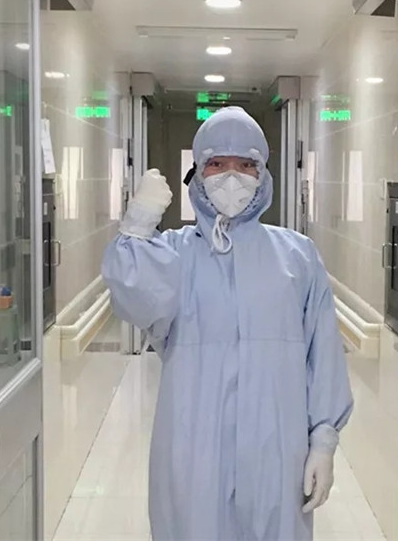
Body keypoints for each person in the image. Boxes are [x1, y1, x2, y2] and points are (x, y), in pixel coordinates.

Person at [102, 106, 353, 541]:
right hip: (193, 445)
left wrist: (324, 441)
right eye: (217, 164)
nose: (231, 177)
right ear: (197, 174)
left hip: (277, 447)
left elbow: (324, 353)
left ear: (262, 173)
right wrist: (138, 225)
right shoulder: (173, 253)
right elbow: (134, 297)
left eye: (245, 164)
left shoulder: (297, 256)